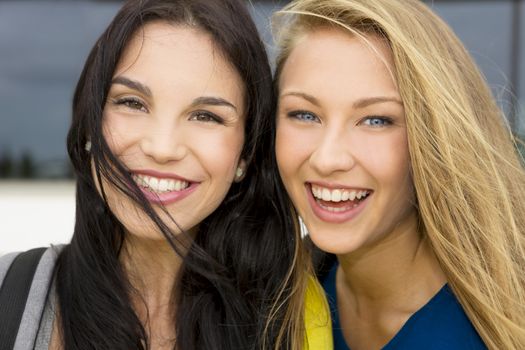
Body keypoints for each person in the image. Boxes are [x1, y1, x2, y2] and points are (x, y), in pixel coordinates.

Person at [0, 0, 332, 349]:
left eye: (206, 116)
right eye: (132, 103)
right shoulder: (9, 294)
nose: (162, 147)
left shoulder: (293, 318)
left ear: (245, 155)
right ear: (90, 125)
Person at [272, 0, 525, 349]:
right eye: (304, 114)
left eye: (376, 120)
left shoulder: (481, 331)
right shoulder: (276, 294)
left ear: (436, 136)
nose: (328, 158)